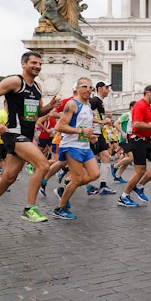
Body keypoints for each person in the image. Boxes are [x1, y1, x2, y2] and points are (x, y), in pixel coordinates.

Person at [0, 51, 62, 229]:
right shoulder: (15, 81)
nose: (37, 66)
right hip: (14, 133)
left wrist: (50, 106)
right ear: (23, 64)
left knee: (8, 178)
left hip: (26, 135)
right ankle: (29, 208)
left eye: (40, 64)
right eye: (33, 63)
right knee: (43, 165)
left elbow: (37, 113)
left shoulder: (38, 87)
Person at [53, 77, 100, 219]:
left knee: (94, 175)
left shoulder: (88, 106)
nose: (88, 90)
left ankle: (65, 190)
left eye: (91, 87)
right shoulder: (72, 104)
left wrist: (89, 136)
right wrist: (81, 132)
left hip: (84, 145)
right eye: (84, 86)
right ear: (77, 88)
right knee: (78, 178)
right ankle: (60, 208)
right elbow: (59, 126)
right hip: (71, 146)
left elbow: (82, 127)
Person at [118, 85, 151, 207]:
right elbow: (137, 124)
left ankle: (139, 186)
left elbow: (147, 123)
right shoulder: (140, 105)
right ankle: (124, 196)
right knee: (140, 170)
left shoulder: (148, 107)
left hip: (147, 140)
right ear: (147, 93)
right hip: (138, 141)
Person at [86, 81, 116, 196]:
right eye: (106, 88)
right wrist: (101, 121)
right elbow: (86, 114)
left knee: (106, 157)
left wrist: (105, 118)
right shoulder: (93, 101)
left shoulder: (100, 102)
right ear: (99, 89)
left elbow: (97, 117)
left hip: (100, 133)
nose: (108, 90)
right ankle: (67, 173)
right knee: (89, 161)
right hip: (93, 134)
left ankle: (103, 185)